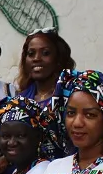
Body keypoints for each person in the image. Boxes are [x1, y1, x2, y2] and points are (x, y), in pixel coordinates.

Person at [14, 29, 76, 158]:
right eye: (31, 54)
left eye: (45, 53)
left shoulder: (72, 94)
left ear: (58, 59)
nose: (36, 59)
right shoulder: (20, 100)